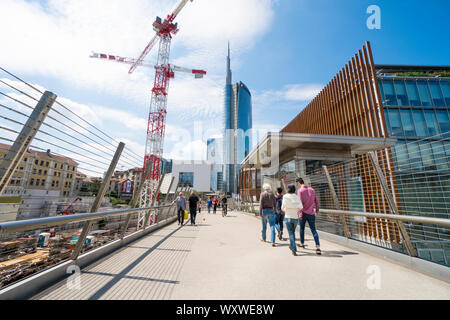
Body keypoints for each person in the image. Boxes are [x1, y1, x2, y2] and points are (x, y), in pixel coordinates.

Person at [297, 178, 321, 255]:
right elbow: (317, 202)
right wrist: (316, 210)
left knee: (302, 229)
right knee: (314, 230)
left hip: (303, 214)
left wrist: (300, 214)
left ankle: (302, 243)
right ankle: (318, 247)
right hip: (311, 213)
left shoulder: (300, 191)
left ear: (298, 183)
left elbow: (299, 203)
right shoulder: (312, 190)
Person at [281, 185, 303, 256]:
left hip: (288, 217)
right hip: (295, 218)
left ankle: (293, 249)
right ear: (294, 190)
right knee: (292, 233)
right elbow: (301, 207)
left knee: (291, 233)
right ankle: (291, 246)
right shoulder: (297, 197)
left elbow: (282, 208)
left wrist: (287, 210)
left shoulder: (285, 196)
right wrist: (296, 209)